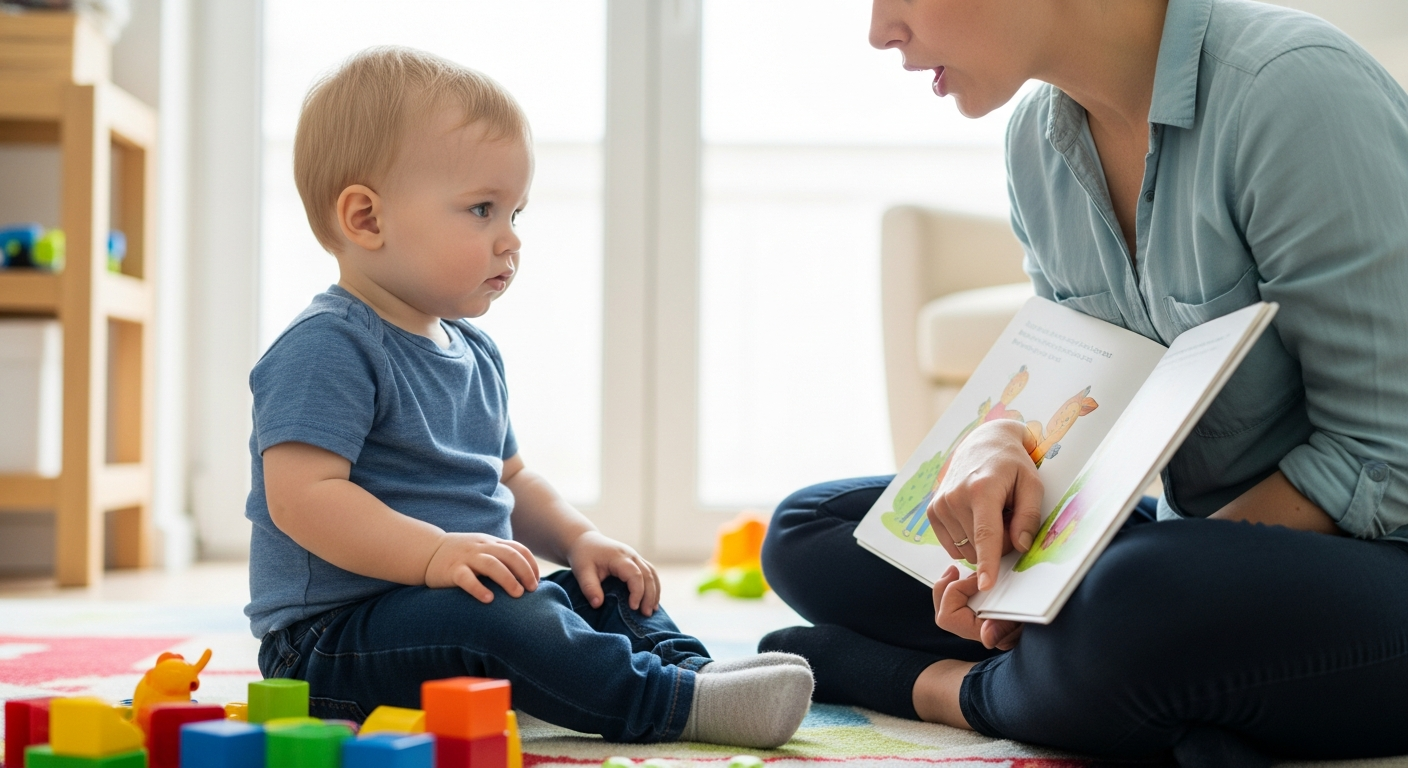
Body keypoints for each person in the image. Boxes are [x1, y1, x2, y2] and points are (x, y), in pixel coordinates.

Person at [758, 0, 1408, 765]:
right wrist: (1001, 444)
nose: (880, 31)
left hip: (1376, 555)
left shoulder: (1290, 90)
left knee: (1130, 599)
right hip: (1195, 562)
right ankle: (1140, 699)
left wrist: (1083, 581)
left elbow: (1386, 459)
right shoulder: (1038, 142)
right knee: (811, 530)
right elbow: (1090, 393)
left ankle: (944, 691)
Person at [243, 47, 813, 748]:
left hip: (454, 597)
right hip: (333, 642)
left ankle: (690, 671)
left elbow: (511, 479)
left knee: (594, 593)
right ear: (366, 219)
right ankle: (666, 703)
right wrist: (434, 555)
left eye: (516, 211)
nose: (510, 239)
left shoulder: (472, 350)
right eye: (482, 209)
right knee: (506, 618)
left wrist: (580, 541)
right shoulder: (328, 346)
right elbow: (302, 497)